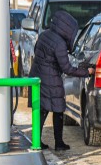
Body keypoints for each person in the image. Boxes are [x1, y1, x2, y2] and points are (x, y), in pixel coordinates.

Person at [29, 10, 94, 151]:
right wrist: (86, 72)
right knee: (58, 110)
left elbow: (37, 52)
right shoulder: (59, 43)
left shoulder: (44, 35)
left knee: (41, 110)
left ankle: (37, 141)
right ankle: (59, 143)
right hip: (51, 80)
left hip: (37, 77)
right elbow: (67, 68)